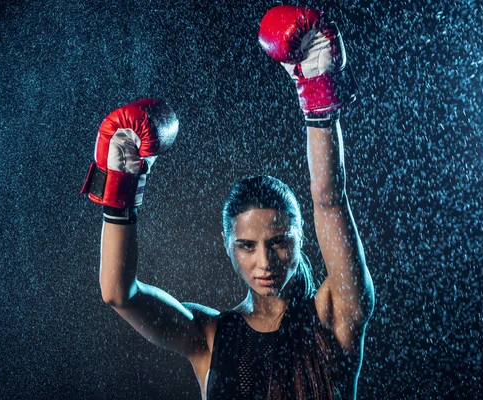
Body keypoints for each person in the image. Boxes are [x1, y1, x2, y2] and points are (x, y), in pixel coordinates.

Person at [82, 5, 374, 400]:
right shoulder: (210, 336)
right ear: (227, 246)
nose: (265, 262)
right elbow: (118, 293)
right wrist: (120, 190)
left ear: (302, 239)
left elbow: (328, 200)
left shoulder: (336, 315)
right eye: (247, 246)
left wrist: (317, 93)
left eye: (278, 242)